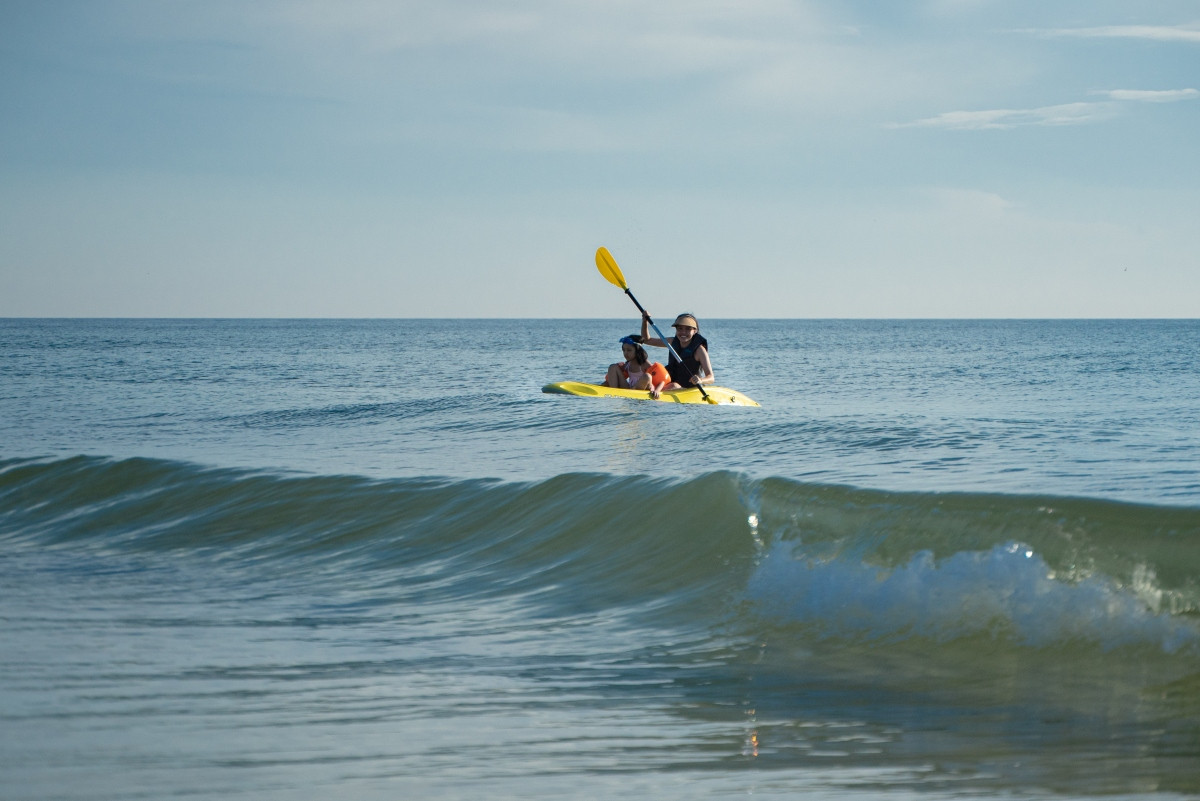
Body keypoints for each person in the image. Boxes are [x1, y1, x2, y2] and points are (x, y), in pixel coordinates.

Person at [639, 312, 713, 393]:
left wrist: (700, 380)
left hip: (687, 388)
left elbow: (711, 377)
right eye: (680, 329)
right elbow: (646, 340)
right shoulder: (671, 342)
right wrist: (645, 321)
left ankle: (655, 391)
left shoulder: (700, 350)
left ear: (695, 331)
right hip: (668, 383)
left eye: (688, 329)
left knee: (674, 386)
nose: (683, 332)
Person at [603, 335, 671, 396]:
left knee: (647, 376)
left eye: (629, 350)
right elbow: (615, 377)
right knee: (613, 367)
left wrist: (657, 391)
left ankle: (631, 392)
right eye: (623, 350)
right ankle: (613, 391)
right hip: (630, 389)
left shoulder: (644, 364)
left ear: (637, 350)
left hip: (642, 390)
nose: (625, 353)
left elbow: (662, 381)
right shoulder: (627, 364)